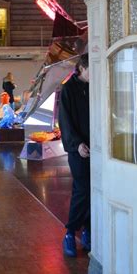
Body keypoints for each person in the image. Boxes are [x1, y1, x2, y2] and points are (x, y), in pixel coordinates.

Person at [58, 53, 91, 258]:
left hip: (96, 147)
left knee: (93, 191)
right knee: (82, 189)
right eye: (91, 71)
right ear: (81, 68)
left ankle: (87, 230)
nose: (94, 75)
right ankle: (70, 232)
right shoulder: (68, 89)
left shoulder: (94, 87)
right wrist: (77, 144)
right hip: (78, 149)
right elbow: (65, 121)